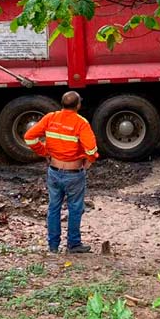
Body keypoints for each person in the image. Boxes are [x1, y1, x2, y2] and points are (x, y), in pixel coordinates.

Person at [24, 91, 99, 253]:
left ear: (62, 103)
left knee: (53, 208)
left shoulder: (51, 118)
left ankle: (53, 246)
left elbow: (29, 137)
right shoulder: (81, 123)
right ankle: (73, 244)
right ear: (78, 105)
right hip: (74, 174)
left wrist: (44, 151)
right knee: (75, 208)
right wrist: (89, 161)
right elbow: (92, 149)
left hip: (54, 171)